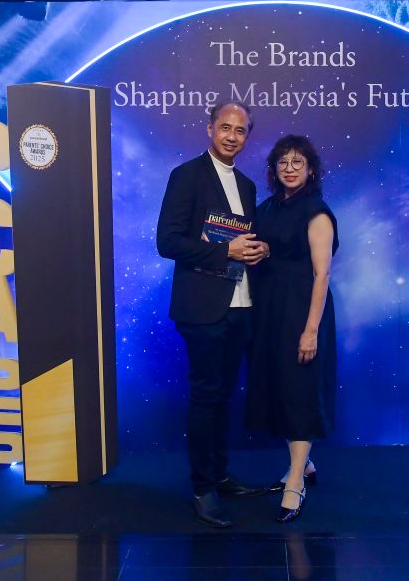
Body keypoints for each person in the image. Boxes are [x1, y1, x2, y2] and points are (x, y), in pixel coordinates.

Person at [156, 101, 270, 528]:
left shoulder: (247, 185)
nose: (232, 136)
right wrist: (226, 250)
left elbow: (245, 242)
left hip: (241, 305)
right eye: (225, 127)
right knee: (206, 397)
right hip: (202, 308)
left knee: (224, 397)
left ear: (247, 137)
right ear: (210, 129)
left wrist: (259, 249)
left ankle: (219, 474)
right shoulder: (186, 175)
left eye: (240, 131)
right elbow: (167, 242)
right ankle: (203, 488)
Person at [246, 134, 338, 523]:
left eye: (298, 161)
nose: (289, 168)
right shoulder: (267, 208)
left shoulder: (317, 212)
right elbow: (262, 248)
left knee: (300, 393)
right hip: (270, 311)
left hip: (302, 311)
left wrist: (310, 330)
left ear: (311, 169)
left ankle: (295, 482)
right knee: (282, 391)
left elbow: (322, 274)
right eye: (283, 161)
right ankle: (305, 464)